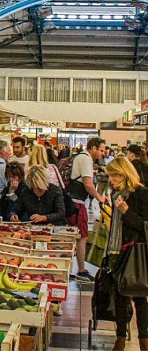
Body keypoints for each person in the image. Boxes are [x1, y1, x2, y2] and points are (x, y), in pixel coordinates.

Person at [105, 156, 148, 351]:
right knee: (120, 296)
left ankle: (144, 340)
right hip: (117, 250)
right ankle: (120, 339)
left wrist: (125, 211)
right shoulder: (116, 195)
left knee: (140, 296)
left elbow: (143, 225)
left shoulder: (140, 194)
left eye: (113, 176)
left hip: (135, 253)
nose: (110, 181)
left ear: (123, 175)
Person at [69, 137, 107, 281]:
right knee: (81, 236)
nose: (102, 153)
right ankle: (81, 269)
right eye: (101, 150)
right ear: (93, 148)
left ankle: (75, 268)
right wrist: (99, 197)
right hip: (77, 203)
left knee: (75, 235)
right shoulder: (86, 159)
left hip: (74, 201)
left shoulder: (81, 157)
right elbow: (88, 184)